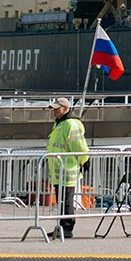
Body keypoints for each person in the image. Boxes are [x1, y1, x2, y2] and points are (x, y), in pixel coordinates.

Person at [45, 97, 90, 238]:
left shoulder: (70, 124)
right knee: (62, 201)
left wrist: (85, 160)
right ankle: (61, 226)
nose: (54, 111)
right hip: (59, 170)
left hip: (68, 170)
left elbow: (79, 146)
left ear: (65, 109)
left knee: (67, 201)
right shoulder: (59, 124)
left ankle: (67, 228)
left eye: (56, 108)